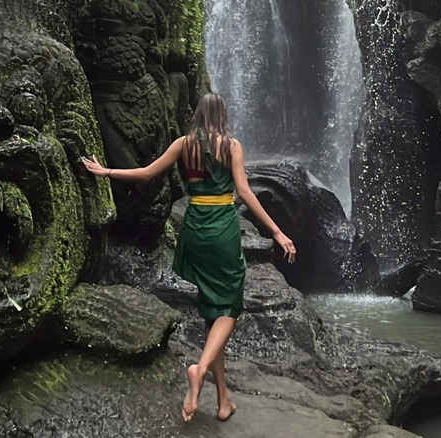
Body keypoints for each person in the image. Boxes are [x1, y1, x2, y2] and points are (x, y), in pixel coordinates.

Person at [83, 92, 296, 422]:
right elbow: (244, 192)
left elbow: (145, 174)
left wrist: (106, 171)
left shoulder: (184, 144)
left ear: (198, 114)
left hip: (194, 227)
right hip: (222, 228)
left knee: (214, 310)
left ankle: (224, 399)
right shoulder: (232, 147)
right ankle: (199, 369)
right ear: (221, 116)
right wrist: (277, 232)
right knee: (230, 305)